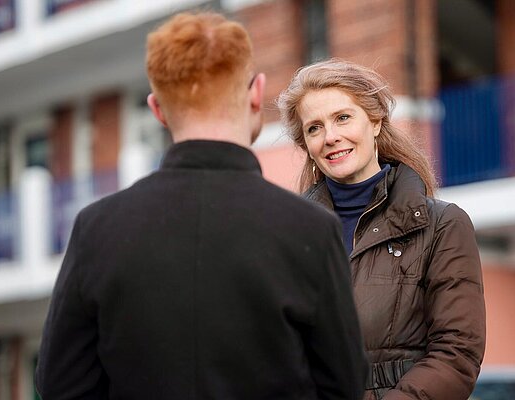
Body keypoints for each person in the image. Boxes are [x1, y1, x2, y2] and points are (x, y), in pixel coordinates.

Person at [35, 13, 368, 400]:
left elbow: (60, 385)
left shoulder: (96, 228)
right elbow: (343, 386)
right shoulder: (310, 228)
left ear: (157, 109)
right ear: (256, 94)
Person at [277, 59, 486, 400]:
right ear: (306, 146)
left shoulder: (442, 225)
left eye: (343, 117)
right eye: (314, 128)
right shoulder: (289, 235)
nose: (331, 137)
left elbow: (457, 353)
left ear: (374, 121)